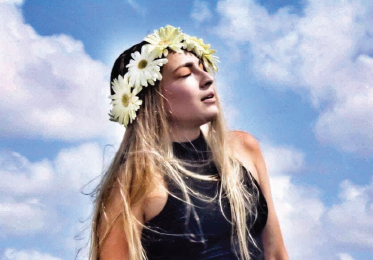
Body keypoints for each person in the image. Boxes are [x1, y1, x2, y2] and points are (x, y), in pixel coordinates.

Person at [88, 25, 289, 260]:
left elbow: (275, 253)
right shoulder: (136, 181)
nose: (207, 79)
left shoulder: (244, 149)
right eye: (185, 74)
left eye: (204, 69)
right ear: (153, 99)